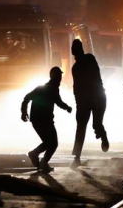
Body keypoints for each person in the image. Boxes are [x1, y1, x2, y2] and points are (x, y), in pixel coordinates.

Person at [21, 67, 72, 172]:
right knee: (52, 143)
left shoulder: (46, 88)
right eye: (58, 77)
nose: (60, 79)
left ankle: (35, 155)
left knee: (49, 142)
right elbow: (27, 98)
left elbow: (27, 98)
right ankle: (42, 161)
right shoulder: (48, 88)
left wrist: (24, 112)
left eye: (60, 77)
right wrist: (24, 112)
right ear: (53, 77)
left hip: (39, 120)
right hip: (43, 120)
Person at [70, 39, 109, 169]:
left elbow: (77, 87)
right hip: (95, 97)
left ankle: (77, 157)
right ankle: (101, 135)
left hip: (90, 98)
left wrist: (78, 102)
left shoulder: (78, 66)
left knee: (82, 127)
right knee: (93, 124)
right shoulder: (88, 60)